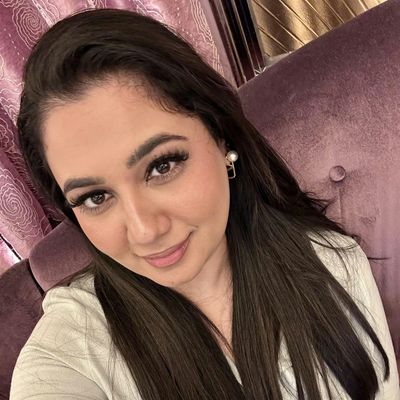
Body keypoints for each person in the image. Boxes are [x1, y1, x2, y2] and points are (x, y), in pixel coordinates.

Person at [10, 8, 399, 400]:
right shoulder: (69, 354)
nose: (145, 230)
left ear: (221, 136)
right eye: (96, 197)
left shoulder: (332, 262)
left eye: (162, 166)